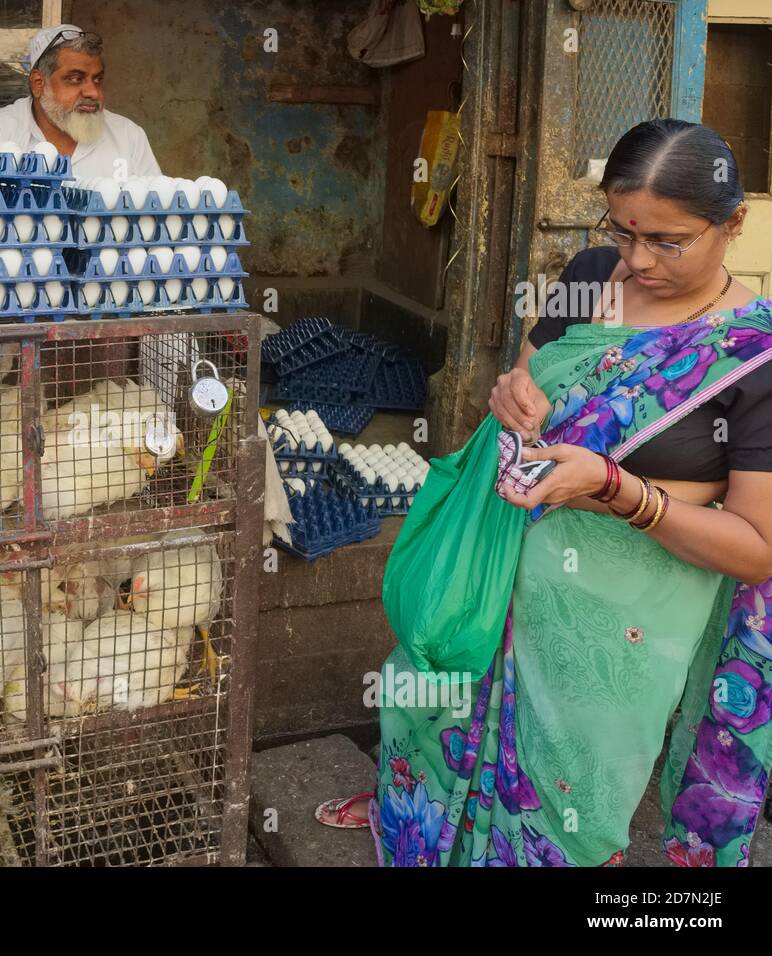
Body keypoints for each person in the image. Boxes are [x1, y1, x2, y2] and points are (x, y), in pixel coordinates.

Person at [320, 119, 772, 866]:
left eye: (667, 240)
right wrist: (510, 396)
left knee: (572, 793)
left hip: (614, 626)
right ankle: (419, 828)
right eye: (623, 232)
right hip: (494, 568)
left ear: (734, 225)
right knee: (433, 712)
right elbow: (527, 381)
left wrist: (619, 491)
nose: (637, 260)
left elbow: (756, 552)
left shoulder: (753, 358)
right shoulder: (595, 275)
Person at [0, 25, 161, 181]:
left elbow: (155, 212)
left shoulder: (128, 136)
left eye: (97, 79)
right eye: (75, 79)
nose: (93, 92)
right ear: (38, 84)